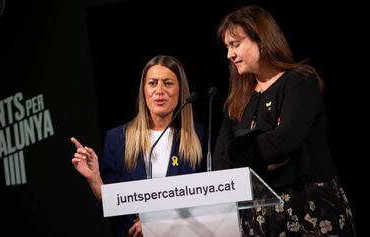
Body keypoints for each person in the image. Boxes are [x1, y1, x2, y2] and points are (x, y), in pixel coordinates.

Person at [213, 5, 357, 236]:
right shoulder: (238, 99)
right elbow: (222, 158)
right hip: (257, 213)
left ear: (261, 39)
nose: (229, 55)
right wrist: (254, 149)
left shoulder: (300, 81)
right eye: (227, 47)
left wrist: (245, 150)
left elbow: (285, 140)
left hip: (306, 207)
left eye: (235, 44)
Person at [71, 55, 205, 237]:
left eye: (167, 83)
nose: (159, 90)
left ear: (180, 91)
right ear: (143, 91)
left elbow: (206, 200)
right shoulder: (118, 139)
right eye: (152, 83)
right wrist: (94, 178)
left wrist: (157, 223)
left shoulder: (198, 136)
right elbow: (112, 208)